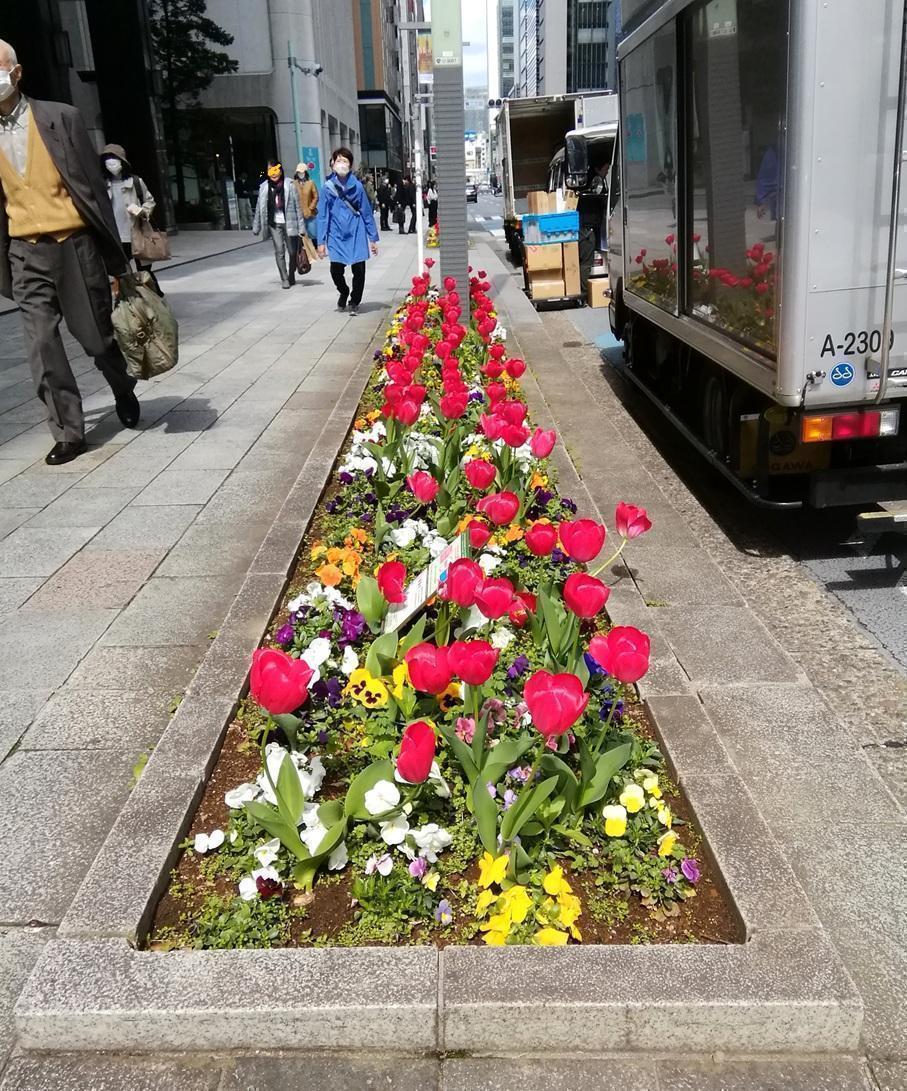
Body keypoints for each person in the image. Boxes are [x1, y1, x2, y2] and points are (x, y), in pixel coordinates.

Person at [0, 38, 139, 466]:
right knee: (42, 345)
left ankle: (121, 385)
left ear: (16, 73)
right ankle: (68, 431)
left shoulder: (63, 117)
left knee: (97, 340)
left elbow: (94, 191)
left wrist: (117, 257)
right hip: (24, 250)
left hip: (73, 245)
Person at [316, 146, 379, 317]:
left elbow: (366, 212)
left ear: (350, 165)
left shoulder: (357, 186)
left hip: (356, 230)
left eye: (345, 161)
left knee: (359, 269)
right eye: (339, 160)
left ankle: (354, 301)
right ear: (333, 163)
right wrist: (321, 243)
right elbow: (322, 216)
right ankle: (343, 291)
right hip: (336, 233)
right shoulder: (327, 188)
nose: (341, 164)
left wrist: (373, 239)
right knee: (336, 270)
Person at [100, 143, 162, 295]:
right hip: (116, 236)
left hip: (137, 233)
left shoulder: (135, 182)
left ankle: (155, 298)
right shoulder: (102, 184)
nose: (111, 162)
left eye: (114, 158)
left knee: (145, 271)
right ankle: (127, 303)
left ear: (122, 161)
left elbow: (150, 200)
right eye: (107, 159)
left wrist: (143, 211)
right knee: (121, 273)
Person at [251, 159, 303, 289]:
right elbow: (259, 207)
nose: (273, 174)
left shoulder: (289, 185)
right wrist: (256, 225)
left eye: (275, 170)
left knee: (292, 251)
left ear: (280, 170)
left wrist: (302, 227)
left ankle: (291, 273)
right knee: (279, 250)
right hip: (274, 224)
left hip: (289, 222)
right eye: (270, 170)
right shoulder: (264, 187)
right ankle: (284, 278)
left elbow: (298, 207)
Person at [293, 163, 319, 246]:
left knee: (313, 232)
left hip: (309, 213)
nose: (300, 174)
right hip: (298, 213)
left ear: (305, 172)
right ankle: (304, 250)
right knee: (301, 234)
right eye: (299, 172)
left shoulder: (310, 183)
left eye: (302, 172)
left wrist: (311, 207)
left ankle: (316, 248)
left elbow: (316, 196)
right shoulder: (293, 184)